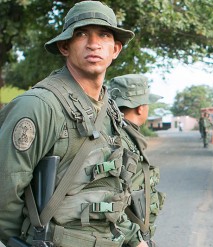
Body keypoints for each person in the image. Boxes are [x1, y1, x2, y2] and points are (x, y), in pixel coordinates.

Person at [0, 1, 149, 247]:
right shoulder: (39, 106)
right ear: (64, 46)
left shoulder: (109, 109)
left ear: (116, 49)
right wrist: (29, 239)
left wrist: (135, 240)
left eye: (104, 34)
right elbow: (5, 193)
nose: (93, 44)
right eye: (81, 34)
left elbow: (111, 188)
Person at [109, 74, 166, 247]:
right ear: (141, 108)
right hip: (126, 239)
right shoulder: (122, 141)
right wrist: (137, 241)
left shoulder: (120, 134)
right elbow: (110, 200)